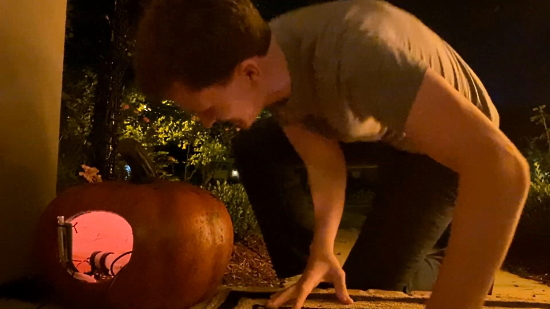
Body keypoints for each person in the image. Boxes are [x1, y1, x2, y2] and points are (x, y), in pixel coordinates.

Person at [133, 0, 531, 308]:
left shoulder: (358, 56)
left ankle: (447, 263)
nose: (204, 122)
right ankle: (313, 274)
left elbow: (503, 168)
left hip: (448, 147)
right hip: (381, 128)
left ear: (249, 72)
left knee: (368, 288)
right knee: (256, 145)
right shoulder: (273, 73)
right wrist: (322, 248)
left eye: (205, 108)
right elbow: (322, 163)